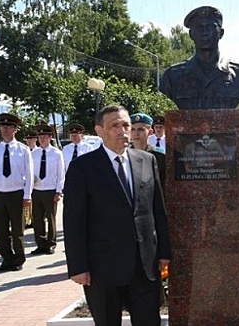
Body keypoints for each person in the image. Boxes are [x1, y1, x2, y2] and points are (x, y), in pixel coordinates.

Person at [63, 105, 171, 326]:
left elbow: (157, 210)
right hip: (102, 268)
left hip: (144, 265)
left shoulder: (146, 161)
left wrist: (164, 252)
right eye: (115, 126)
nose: (123, 131)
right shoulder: (82, 167)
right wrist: (78, 266)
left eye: (126, 125)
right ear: (99, 131)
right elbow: (74, 221)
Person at [159, 6, 239, 110]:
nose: (205, 33)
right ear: (191, 35)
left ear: (221, 33)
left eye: (210, 27)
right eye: (199, 27)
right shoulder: (172, 76)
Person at [0, 113, 34, 272]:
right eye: (3, 127)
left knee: (17, 230)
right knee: (0, 231)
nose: (5, 130)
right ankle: (7, 259)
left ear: (15, 129)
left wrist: (27, 195)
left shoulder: (22, 150)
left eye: (9, 127)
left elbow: (29, 174)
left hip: (16, 194)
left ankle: (18, 259)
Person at [30, 123, 64, 255]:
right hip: (37, 190)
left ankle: (50, 243)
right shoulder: (34, 153)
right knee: (37, 219)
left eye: (45, 136)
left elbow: (61, 174)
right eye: (40, 136)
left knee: (50, 219)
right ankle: (40, 243)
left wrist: (58, 191)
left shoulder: (56, 154)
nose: (42, 138)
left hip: (50, 190)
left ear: (50, 137)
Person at [130, 113, 166, 192]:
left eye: (141, 129)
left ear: (150, 132)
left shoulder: (159, 157)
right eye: (132, 129)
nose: (136, 133)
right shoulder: (124, 156)